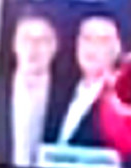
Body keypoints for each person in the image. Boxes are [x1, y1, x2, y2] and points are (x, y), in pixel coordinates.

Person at [0, 12, 60, 168]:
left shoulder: (68, 97)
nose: (33, 48)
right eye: (26, 39)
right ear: (14, 44)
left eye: (42, 41)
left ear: (54, 47)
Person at [50, 14, 123, 148]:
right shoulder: (57, 94)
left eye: (102, 40)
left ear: (117, 49)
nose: (92, 47)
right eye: (87, 38)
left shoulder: (122, 100)